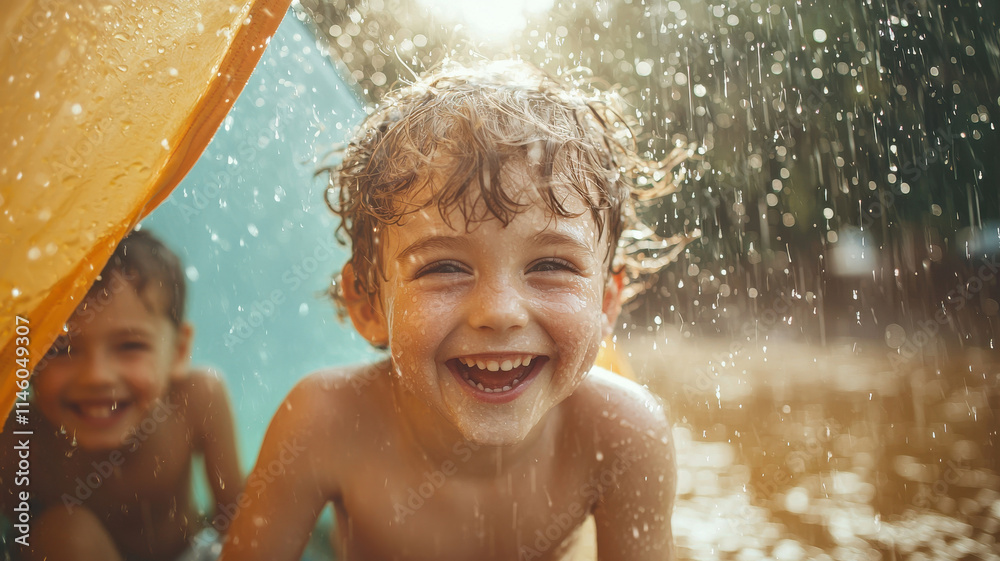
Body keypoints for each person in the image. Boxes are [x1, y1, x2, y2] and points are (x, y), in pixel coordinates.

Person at [221, 60, 676, 561]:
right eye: (443, 268)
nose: (500, 313)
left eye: (550, 263)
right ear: (369, 303)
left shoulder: (623, 434)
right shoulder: (325, 423)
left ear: (606, 303)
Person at [0, 229, 242, 561]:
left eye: (130, 345)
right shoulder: (16, 439)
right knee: (61, 532)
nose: (96, 375)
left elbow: (239, 520)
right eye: (60, 349)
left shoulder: (197, 399)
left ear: (178, 350)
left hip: (191, 553)